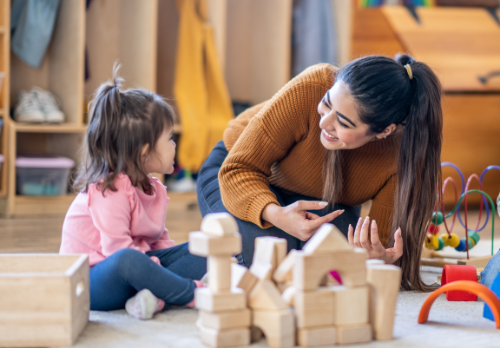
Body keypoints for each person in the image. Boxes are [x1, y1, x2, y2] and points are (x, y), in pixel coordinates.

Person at [197, 55, 443, 291]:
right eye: (327, 103)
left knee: (329, 265)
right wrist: (277, 215)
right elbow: (238, 169)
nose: (323, 123)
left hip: (325, 198)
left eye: (344, 123)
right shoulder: (311, 85)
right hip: (237, 170)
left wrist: (376, 260)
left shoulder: (403, 157)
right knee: (263, 259)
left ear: (384, 131)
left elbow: (383, 244)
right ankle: (161, 265)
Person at [60, 65, 206, 319]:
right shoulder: (111, 189)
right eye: (170, 138)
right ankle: (191, 293)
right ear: (144, 151)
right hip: (94, 282)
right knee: (129, 259)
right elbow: (118, 252)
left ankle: (154, 294)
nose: (174, 145)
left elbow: (160, 241)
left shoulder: (152, 187)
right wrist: (161, 273)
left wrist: (163, 271)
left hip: (137, 269)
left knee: (202, 248)